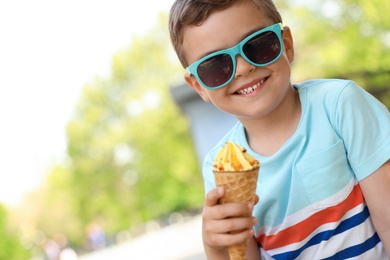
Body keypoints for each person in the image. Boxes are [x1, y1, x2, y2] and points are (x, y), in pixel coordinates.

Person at [169, 0, 390, 259]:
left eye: (257, 45)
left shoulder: (341, 105)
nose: (243, 68)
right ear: (198, 86)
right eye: (216, 66)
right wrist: (216, 247)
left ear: (287, 44)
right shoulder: (220, 166)